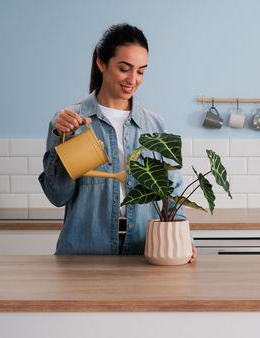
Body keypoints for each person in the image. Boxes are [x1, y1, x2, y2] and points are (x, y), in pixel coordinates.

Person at [39, 23, 194, 260]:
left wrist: (182, 241)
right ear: (102, 63)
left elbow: (172, 195)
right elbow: (57, 196)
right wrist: (64, 138)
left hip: (146, 251)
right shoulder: (70, 121)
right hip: (83, 254)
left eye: (141, 71)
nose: (133, 79)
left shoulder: (155, 126)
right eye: (124, 68)